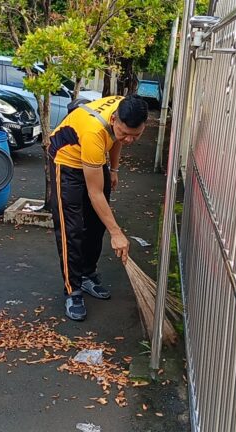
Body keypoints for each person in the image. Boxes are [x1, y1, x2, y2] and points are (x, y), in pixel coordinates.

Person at [48, 94, 149, 321]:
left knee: (96, 224)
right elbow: (95, 193)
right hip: (66, 161)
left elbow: (116, 139)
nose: (129, 139)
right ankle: (73, 290)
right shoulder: (94, 131)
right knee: (71, 229)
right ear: (114, 119)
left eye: (136, 135)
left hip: (93, 157)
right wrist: (117, 233)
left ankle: (87, 274)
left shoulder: (125, 108)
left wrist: (114, 169)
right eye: (125, 132)